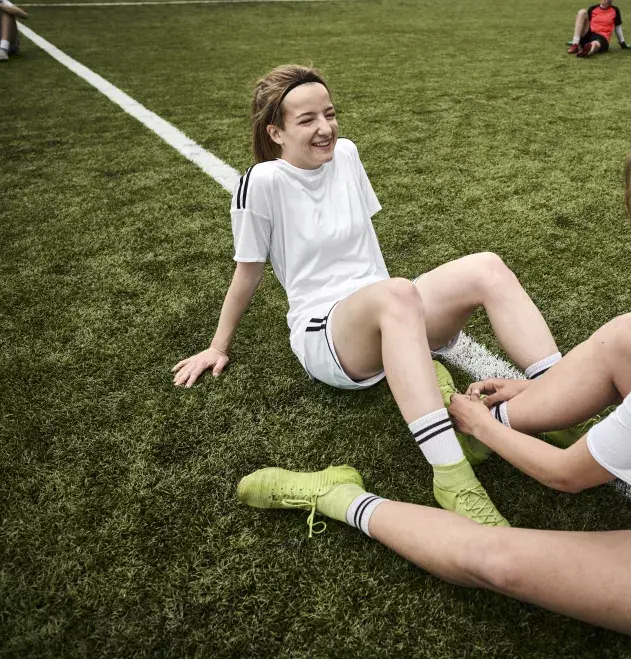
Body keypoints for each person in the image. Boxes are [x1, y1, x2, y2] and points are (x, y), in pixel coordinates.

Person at [236, 113, 631, 654]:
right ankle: (521, 413)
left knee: (495, 559)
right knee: (628, 334)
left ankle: (337, 498)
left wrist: (475, 420)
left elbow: (568, 474)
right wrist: (531, 398)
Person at [173, 65, 565, 528]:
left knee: (486, 266)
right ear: (275, 132)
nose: (325, 128)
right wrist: (218, 346)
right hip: (328, 336)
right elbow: (247, 274)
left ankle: (563, 399)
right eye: (307, 120)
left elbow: (363, 250)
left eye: (330, 113)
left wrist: (398, 314)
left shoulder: (348, 155)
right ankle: (451, 476)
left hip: (392, 312)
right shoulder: (261, 182)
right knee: (395, 293)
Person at [566, 0, 631, 58]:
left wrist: (623, 43)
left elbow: (618, 28)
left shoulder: (615, 10)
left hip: (603, 37)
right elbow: (584, 24)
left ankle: (587, 51)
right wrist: (575, 39)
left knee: (595, 43)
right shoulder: (592, 8)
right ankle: (575, 44)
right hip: (590, 34)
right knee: (582, 12)